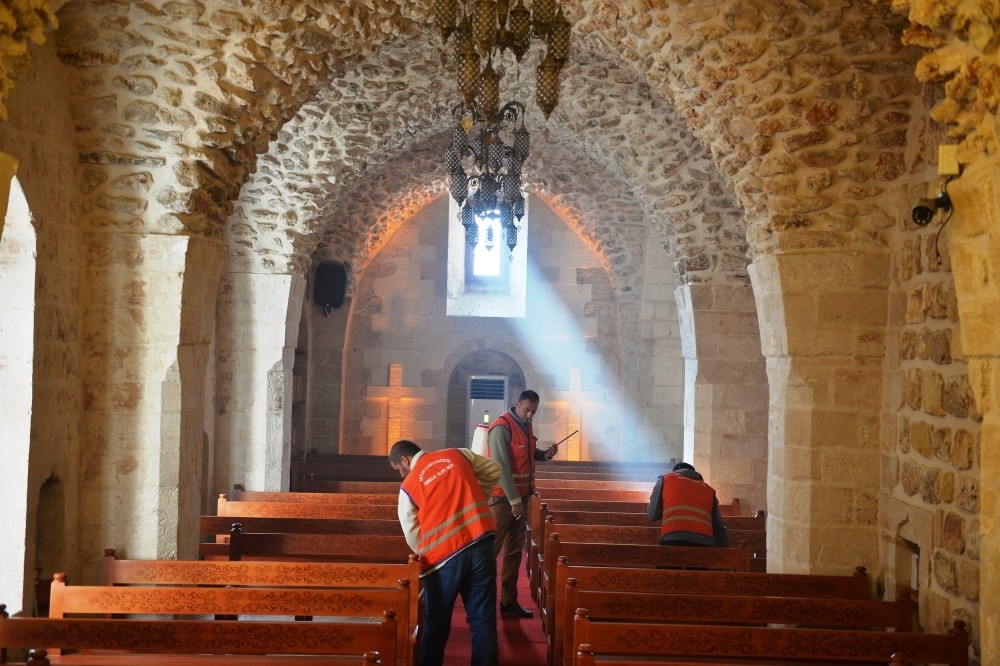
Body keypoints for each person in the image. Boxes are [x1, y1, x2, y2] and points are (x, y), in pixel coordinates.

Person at [389, 439, 501, 666]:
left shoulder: (409, 486)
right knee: (483, 622)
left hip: (443, 562)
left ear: (404, 460)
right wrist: (479, 494)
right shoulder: (457, 454)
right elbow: (493, 469)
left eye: (399, 470)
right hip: (480, 544)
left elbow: (412, 534)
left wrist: (430, 548)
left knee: (436, 626)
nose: (401, 475)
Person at [486, 389, 558, 619]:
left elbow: (524, 454)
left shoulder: (526, 425)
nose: (530, 415)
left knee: (514, 551)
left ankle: (508, 601)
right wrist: (514, 500)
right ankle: (480, 605)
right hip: (501, 500)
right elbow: (500, 467)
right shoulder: (501, 427)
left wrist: (545, 455)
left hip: (523, 498)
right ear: (517, 404)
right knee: (489, 553)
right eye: (527, 410)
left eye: (533, 412)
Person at [646, 461, 729, 547]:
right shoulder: (709, 490)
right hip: (704, 541)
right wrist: (724, 554)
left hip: (673, 537)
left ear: (675, 472)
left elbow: (652, 514)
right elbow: (719, 528)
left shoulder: (666, 478)